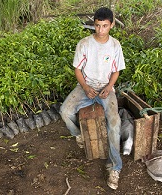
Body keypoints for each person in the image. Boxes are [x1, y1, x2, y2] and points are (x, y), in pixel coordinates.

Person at [59, 7, 126, 190]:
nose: (100, 30)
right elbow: (78, 70)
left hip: (106, 89)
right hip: (86, 87)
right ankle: (78, 135)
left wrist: (109, 87)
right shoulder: (84, 44)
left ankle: (115, 168)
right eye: (97, 26)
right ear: (94, 25)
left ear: (111, 25)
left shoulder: (115, 45)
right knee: (65, 111)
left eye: (105, 26)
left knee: (114, 122)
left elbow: (116, 71)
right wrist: (86, 87)